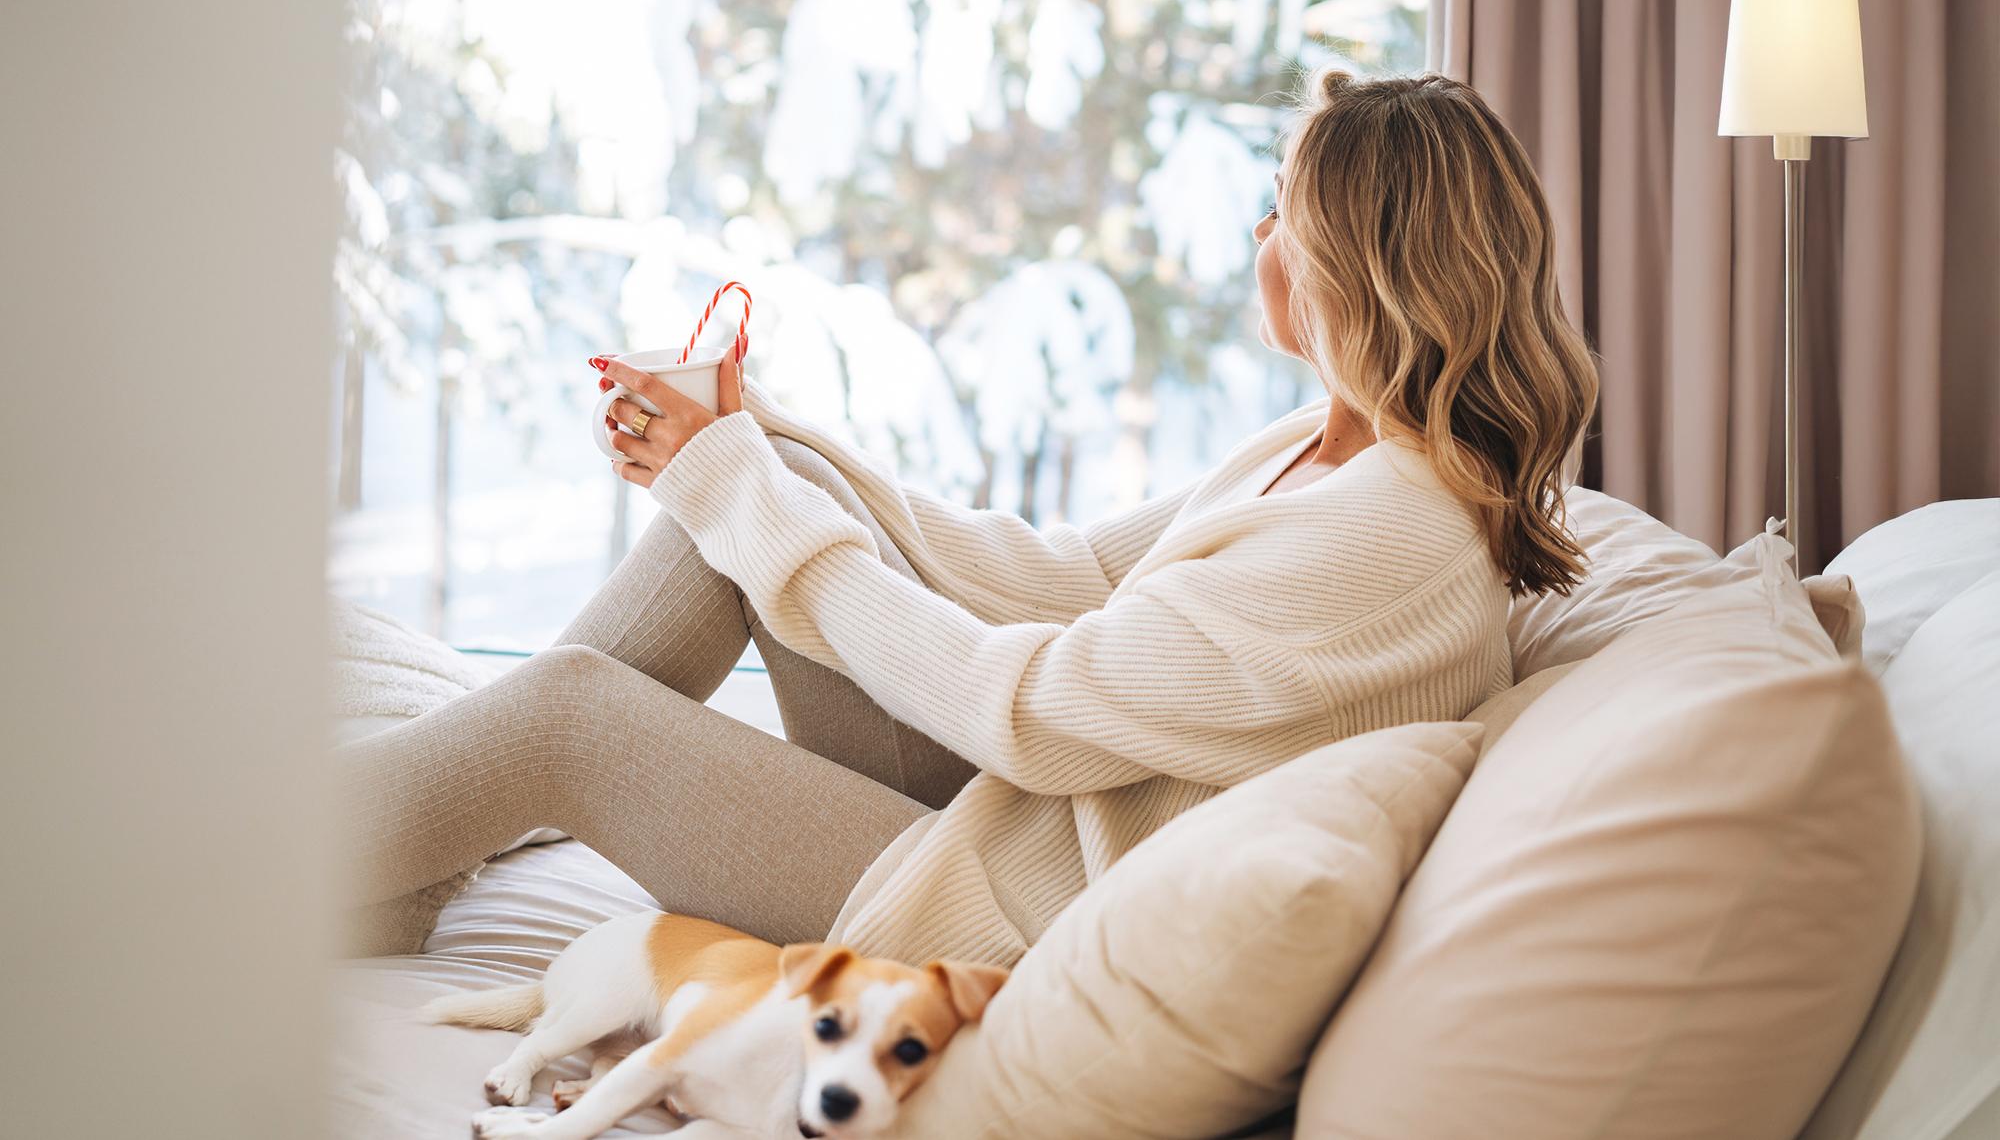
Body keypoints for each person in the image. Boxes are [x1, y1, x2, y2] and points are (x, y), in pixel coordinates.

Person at [335, 67, 1600, 970]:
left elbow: (1028, 710)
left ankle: (260, 869)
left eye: (1283, 210)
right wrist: (763, 441)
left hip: (1012, 906)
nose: (1256, 232)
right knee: (764, 509)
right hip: (1017, 821)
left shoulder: (1385, 534)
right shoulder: (1335, 442)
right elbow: (1065, 572)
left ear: (1354, 266)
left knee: (567, 709)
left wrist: (731, 476)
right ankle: (393, 862)